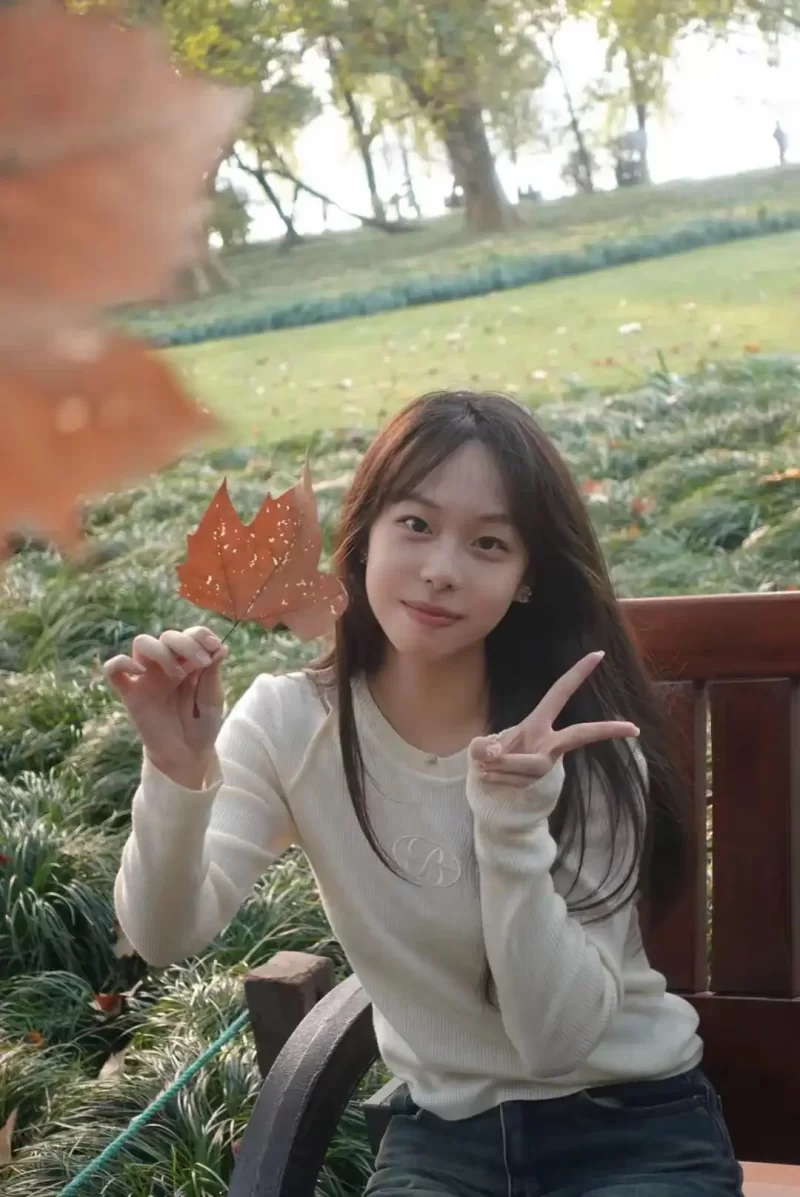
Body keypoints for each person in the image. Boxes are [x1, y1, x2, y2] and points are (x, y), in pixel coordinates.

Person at [107, 390, 744, 1197]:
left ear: (525, 578)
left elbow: (555, 1043)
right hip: (444, 1141)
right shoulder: (291, 724)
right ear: (364, 534)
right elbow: (163, 932)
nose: (442, 569)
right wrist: (176, 769)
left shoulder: (577, 740)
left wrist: (512, 827)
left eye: (488, 543)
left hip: (632, 1126)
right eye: (415, 523)